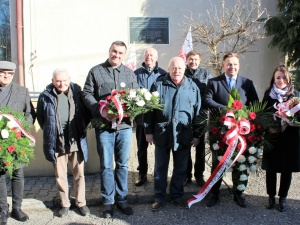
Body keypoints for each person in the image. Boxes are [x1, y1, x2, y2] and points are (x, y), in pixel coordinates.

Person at [81, 41, 138, 218]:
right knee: (106, 165)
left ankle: (122, 199)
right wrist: (101, 110)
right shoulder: (96, 71)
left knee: (122, 164)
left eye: (121, 53)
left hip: (124, 127)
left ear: (124, 55)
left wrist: (131, 111)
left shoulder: (130, 74)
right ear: (109, 51)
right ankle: (108, 202)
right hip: (104, 127)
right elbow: (86, 93)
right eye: (114, 51)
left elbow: (135, 97)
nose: (117, 55)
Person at [144, 57, 201, 211]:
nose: (176, 71)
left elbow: (197, 113)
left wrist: (196, 135)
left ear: (185, 69)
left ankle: (177, 196)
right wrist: (148, 131)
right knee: (160, 168)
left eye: (180, 68)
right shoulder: (158, 85)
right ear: (168, 69)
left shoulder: (192, 87)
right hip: (162, 133)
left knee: (181, 168)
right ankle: (159, 197)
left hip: (183, 134)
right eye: (173, 68)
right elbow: (149, 111)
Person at [204, 52, 259, 208]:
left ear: (238, 66)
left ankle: (238, 193)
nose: (232, 67)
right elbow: (206, 100)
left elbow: (255, 103)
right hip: (219, 132)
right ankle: (214, 193)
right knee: (219, 162)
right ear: (223, 65)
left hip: (241, 132)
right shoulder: (214, 82)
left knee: (240, 161)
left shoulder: (247, 83)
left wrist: (243, 114)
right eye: (229, 64)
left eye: (235, 64)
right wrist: (227, 111)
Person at [36, 69, 90, 217]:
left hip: (76, 141)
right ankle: (65, 204)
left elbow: (87, 115)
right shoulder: (45, 97)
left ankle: (81, 203)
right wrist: (51, 131)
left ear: (69, 79)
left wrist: (81, 128)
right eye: (58, 81)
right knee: (60, 176)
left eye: (64, 80)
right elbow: (41, 119)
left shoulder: (78, 94)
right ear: (53, 81)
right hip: (57, 143)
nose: (62, 83)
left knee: (79, 174)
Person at [0, 61, 35, 224]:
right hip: (0, 142)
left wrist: (21, 129)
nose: (6, 75)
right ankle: (2, 210)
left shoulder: (22, 92)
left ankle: (17, 208)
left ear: (13, 74)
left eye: (9, 73)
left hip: (17, 141)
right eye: (2, 73)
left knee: (18, 174)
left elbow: (29, 114)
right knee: (0, 176)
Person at [262, 65, 300, 212]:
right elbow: (262, 114)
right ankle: (271, 197)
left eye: (284, 77)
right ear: (273, 79)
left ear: (288, 78)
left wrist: (290, 120)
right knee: (270, 168)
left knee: (287, 169)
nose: (281, 80)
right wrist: (270, 123)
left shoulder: (296, 95)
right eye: (278, 77)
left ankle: (283, 198)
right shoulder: (268, 94)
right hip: (272, 137)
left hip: (290, 137)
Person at [134, 47, 166, 187]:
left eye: (152, 55)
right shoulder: (135, 74)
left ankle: (159, 175)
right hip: (141, 120)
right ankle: (142, 174)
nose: (149, 57)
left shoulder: (164, 74)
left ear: (156, 57)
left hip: (158, 120)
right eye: (147, 55)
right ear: (143, 57)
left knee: (160, 149)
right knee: (141, 149)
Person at [184, 50, 212, 187]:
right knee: (186, 147)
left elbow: (210, 94)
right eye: (190, 59)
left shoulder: (207, 75)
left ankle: (199, 175)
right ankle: (187, 175)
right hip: (186, 116)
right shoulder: (182, 74)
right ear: (187, 60)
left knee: (200, 147)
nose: (193, 62)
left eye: (195, 59)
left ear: (199, 61)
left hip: (201, 115)